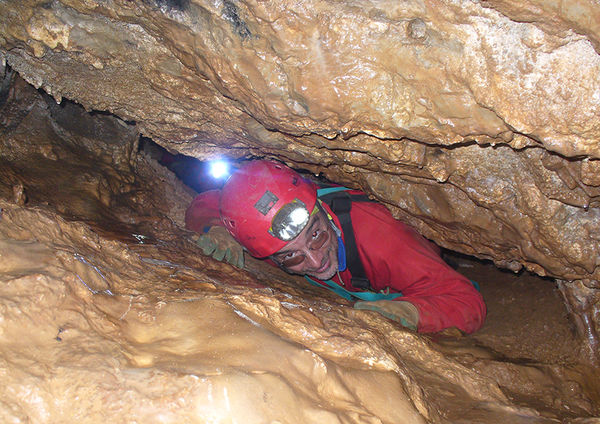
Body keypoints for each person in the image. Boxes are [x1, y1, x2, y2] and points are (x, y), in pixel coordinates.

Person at [185, 160, 486, 333]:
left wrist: (408, 312)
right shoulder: (260, 239)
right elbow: (204, 204)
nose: (315, 263)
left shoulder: (381, 238)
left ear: (322, 211)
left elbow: (467, 301)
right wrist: (216, 230)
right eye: (291, 257)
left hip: (413, 264)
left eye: (316, 236)